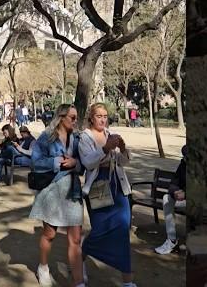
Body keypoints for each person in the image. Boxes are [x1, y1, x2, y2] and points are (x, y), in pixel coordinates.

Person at [79, 103, 136, 287]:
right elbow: (87, 163)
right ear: (91, 117)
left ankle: (127, 281)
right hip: (98, 186)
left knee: (122, 228)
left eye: (105, 116)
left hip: (117, 185)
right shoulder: (84, 137)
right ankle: (81, 254)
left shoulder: (109, 133)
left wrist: (123, 148)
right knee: (101, 229)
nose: (103, 119)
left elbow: (122, 161)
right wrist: (104, 149)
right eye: (99, 116)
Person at [29, 104, 84, 287]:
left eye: (76, 118)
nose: (75, 121)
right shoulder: (46, 138)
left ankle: (78, 281)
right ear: (61, 117)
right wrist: (56, 161)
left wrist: (76, 162)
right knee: (50, 234)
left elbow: (83, 165)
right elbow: (36, 163)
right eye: (72, 118)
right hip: (51, 190)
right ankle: (43, 267)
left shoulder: (77, 138)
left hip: (73, 190)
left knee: (76, 238)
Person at [155, 144, 187, 255]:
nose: (185, 160)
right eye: (185, 157)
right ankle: (172, 240)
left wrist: (186, 193)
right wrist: (175, 192)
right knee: (166, 199)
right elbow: (174, 183)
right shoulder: (184, 164)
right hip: (184, 199)